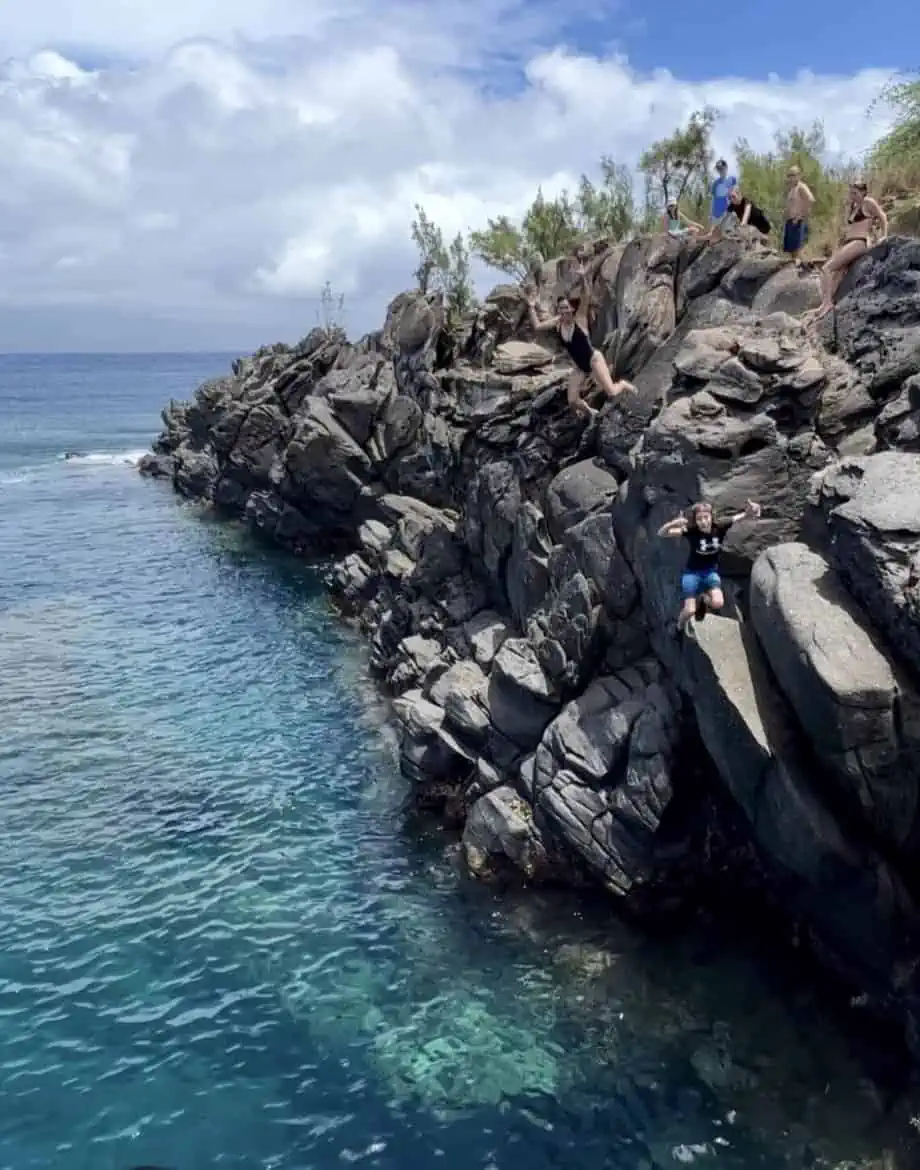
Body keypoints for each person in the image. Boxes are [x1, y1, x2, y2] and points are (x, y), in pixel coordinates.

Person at [524, 260, 635, 418]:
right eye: (561, 308)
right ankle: (592, 413)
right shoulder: (557, 323)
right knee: (572, 400)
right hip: (580, 367)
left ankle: (623, 385)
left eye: (566, 308)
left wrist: (583, 278)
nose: (564, 311)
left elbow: (586, 296)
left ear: (571, 309)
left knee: (611, 391)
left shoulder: (580, 319)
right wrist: (531, 306)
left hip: (593, 360)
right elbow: (537, 326)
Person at [657, 498, 762, 632]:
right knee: (690, 610)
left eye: (706, 517)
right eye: (699, 519)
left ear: (711, 517)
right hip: (692, 573)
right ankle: (678, 627)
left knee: (718, 603)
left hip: (710, 573)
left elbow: (743, 516)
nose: (704, 522)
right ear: (696, 521)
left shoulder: (720, 526)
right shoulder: (692, 532)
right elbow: (661, 533)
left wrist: (751, 510)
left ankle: (703, 599)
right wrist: (674, 523)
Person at [805, 182, 888, 323]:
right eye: (851, 193)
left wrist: (884, 236)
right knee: (837, 273)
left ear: (863, 192)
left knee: (826, 269)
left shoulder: (868, 202)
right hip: (849, 242)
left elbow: (882, 217)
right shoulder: (853, 206)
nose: (852, 196)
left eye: (855, 193)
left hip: (859, 242)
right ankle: (825, 303)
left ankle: (827, 303)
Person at [783, 165, 815, 265]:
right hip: (790, 221)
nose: (791, 177)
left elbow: (811, 200)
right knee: (791, 251)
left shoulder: (801, 186)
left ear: (798, 175)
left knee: (797, 250)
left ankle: (804, 270)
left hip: (797, 221)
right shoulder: (793, 188)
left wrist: (799, 216)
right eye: (790, 175)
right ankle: (794, 271)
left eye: (793, 175)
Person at [710, 159, 737, 228]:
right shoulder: (715, 183)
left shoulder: (732, 180)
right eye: (718, 169)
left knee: (727, 232)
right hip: (716, 213)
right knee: (717, 234)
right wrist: (710, 214)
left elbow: (733, 195)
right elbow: (713, 199)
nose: (720, 171)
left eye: (722, 168)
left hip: (726, 213)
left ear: (726, 168)